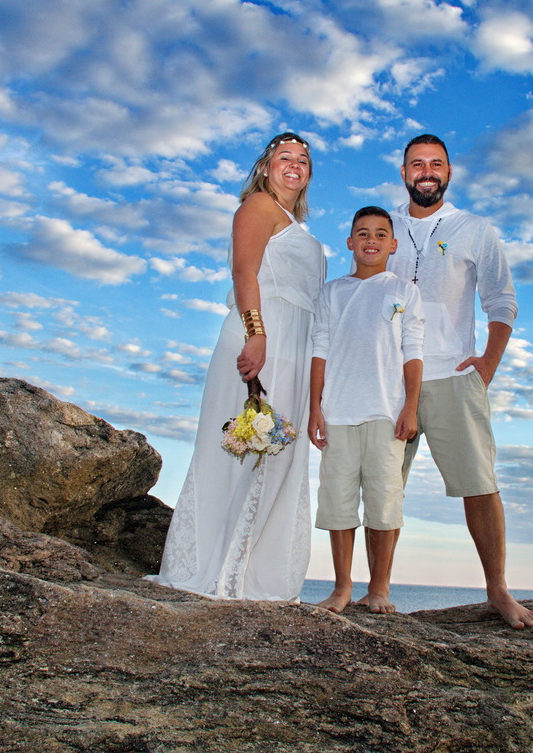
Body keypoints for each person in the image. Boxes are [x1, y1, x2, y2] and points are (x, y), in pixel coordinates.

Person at [153, 132, 326, 601]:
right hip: (263, 335)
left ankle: (253, 578)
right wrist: (256, 333)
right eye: (284, 158)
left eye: (303, 161)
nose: (294, 166)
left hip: (295, 342)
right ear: (266, 166)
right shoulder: (256, 207)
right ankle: (210, 570)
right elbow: (243, 272)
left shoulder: (296, 224)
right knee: (237, 449)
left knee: (278, 452)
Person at [386, 134, 533, 629]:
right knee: (384, 485)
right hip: (390, 380)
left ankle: (497, 590)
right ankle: (378, 591)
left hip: (453, 375)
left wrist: (488, 364)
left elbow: (502, 300)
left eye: (436, 164)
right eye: (417, 164)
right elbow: (364, 300)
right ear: (404, 171)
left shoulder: (474, 229)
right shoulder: (383, 228)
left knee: (480, 485)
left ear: (448, 173)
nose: (426, 171)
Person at [307, 207, 424, 615]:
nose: (371, 240)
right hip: (337, 411)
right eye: (362, 233)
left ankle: (380, 588)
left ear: (393, 245)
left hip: (386, 413)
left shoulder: (404, 291)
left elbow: (413, 352)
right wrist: (314, 408)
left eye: (380, 234)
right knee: (338, 502)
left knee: (384, 501)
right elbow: (319, 349)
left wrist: (410, 406)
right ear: (350, 243)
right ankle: (342, 587)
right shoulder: (332, 291)